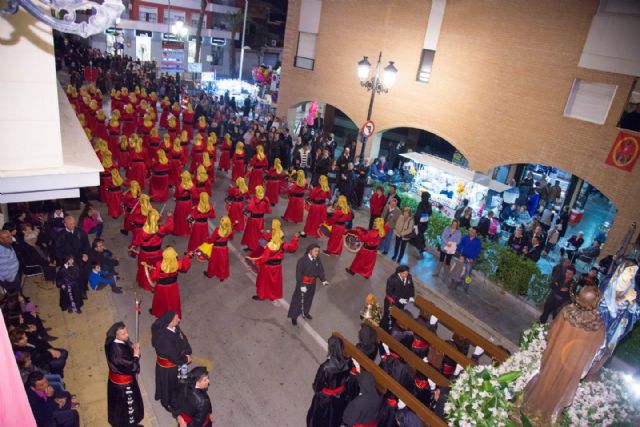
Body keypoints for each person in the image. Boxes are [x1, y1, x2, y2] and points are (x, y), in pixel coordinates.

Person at [522, 287, 604, 425]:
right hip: (573, 365)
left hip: (555, 356)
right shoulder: (597, 324)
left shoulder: (567, 312)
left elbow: (552, 331)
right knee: (560, 386)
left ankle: (531, 407)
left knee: (545, 379)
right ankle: (545, 413)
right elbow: (596, 347)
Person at [151, 311, 192, 414]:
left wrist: (187, 351)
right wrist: (186, 359)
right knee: (168, 387)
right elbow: (174, 357)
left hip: (174, 364)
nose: (179, 320)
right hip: (168, 369)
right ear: (169, 322)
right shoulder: (164, 339)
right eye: (177, 319)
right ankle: (167, 403)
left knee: (174, 385)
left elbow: (183, 338)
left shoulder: (173, 327)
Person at [104, 322, 144, 427]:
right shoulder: (117, 355)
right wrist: (136, 354)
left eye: (126, 332)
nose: (127, 335)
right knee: (128, 407)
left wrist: (131, 346)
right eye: (123, 334)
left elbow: (126, 345)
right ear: (116, 335)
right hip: (124, 386)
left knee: (119, 407)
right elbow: (133, 367)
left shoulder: (110, 341)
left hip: (116, 381)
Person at [306, 336, 350, 427]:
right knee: (332, 418)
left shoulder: (325, 367)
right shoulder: (346, 363)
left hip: (325, 399)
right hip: (338, 397)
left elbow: (317, 386)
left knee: (317, 419)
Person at [252, 220, 299, 301]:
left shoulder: (269, 246)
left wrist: (256, 262)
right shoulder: (283, 244)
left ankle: (261, 296)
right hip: (277, 267)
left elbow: (264, 258)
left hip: (267, 267)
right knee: (274, 282)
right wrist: (295, 238)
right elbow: (292, 248)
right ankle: (272, 296)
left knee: (263, 282)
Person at [130, 209, 174, 291]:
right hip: (157, 253)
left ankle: (145, 284)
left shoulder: (143, 231)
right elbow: (170, 227)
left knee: (144, 269)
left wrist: (132, 246)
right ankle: (156, 282)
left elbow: (136, 241)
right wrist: (169, 217)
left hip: (145, 254)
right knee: (156, 268)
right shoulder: (161, 229)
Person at [287, 244, 329, 326]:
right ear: (310, 251)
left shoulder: (317, 259)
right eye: (315, 251)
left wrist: (323, 279)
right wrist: (302, 285)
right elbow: (298, 275)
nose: (317, 253)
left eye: (318, 251)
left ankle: (305, 312)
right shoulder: (302, 261)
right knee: (298, 300)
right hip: (303, 284)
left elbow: (320, 269)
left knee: (309, 299)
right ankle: (294, 316)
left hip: (312, 283)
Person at [148, 246, 193, 319]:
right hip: (173, 286)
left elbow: (154, 277)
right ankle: (173, 316)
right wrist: (188, 256)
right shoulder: (177, 263)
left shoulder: (159, 264)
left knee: (160, 300)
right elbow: (185, 266)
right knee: (173, 301)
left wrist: (152, 270)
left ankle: (158, 312)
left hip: (162, 287)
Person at [381, 265, 415, 332]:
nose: (406, 275)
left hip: (402, 303)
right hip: (392, 302)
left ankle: (391, 331)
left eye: (407, 273)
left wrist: (411, 296)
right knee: (387, 317)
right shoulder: (392, 279)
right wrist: (399, 299)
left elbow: (411, 287)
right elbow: (389, 292)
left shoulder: (409, 277)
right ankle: (382, 330)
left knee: (396, 317)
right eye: (404, 273)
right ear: (400, 272)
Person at [450, 227, 483, 293]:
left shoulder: (478, 241)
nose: (471, 233)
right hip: (462, 257)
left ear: (476, 234)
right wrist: (460, 254)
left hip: (470, 260)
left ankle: (466, 286)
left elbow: (478, 252)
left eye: (473, 232)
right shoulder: (465, 237)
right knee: (459, 271)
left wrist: (472, 258)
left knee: (468, 273)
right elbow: (460, 246)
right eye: (471, 231)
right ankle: (456, 283)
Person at [241, 185, 272, 251]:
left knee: (252, 234)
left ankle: (251, 247)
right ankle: (260, 246)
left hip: (253, 220)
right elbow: (269, 210)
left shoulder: (254, 199)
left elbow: (249, 208)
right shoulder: (266, 199)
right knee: (259, 233)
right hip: (261, 220)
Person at [174, 171, 196, 237]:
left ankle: (178, 231)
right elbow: (195, 196)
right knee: (188, 216)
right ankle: (188, 229)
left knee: (179, 217)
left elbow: (176, 195)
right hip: (188, 203)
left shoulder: (179, 186)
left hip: (180, 204)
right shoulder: (192, 186)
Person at [412, 192, 432, 257]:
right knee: (420, 234)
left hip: (419, 223)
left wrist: (415, 222)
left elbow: (418, 214)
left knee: (418, 235)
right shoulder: (429, 204)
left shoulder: (422, 203)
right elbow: (429, 213)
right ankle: (421, 248)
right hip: (424, 223)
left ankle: (421, 248)